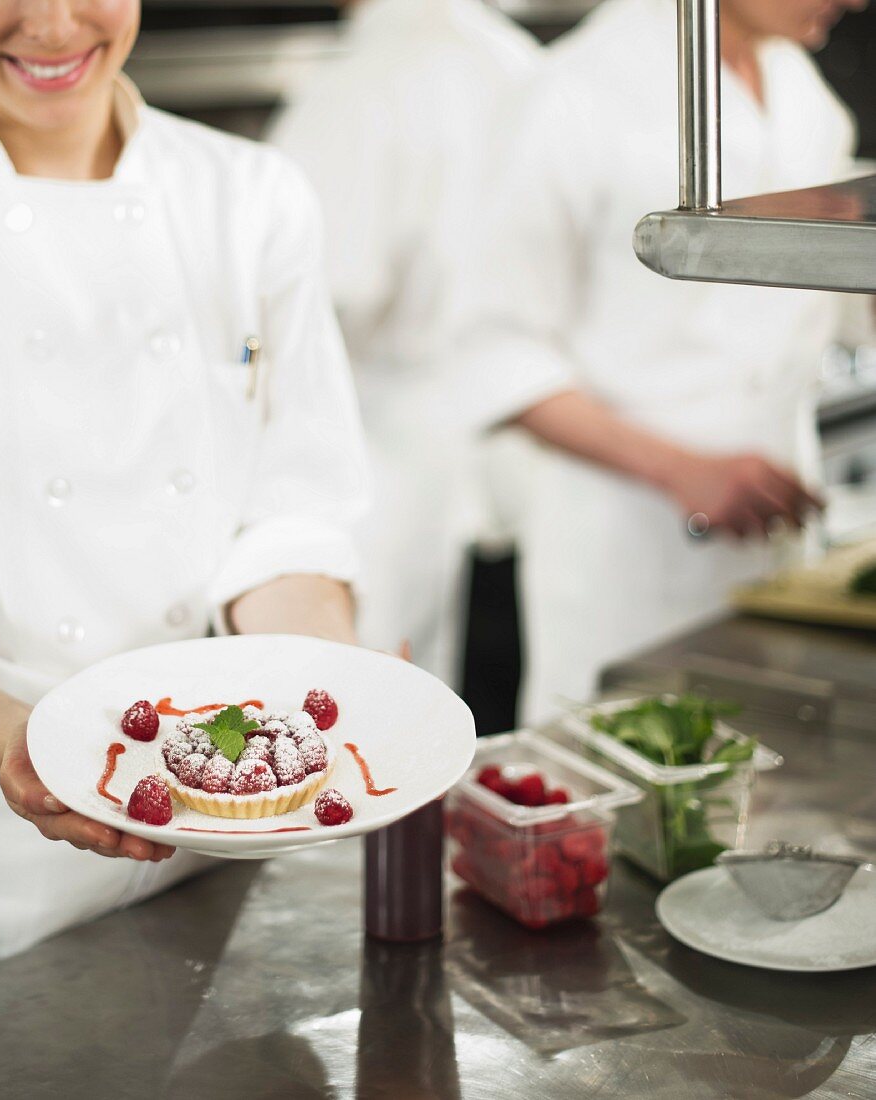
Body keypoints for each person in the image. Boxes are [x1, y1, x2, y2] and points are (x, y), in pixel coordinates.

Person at [0, 0, 367, 1050]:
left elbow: (289, 517)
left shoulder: (250, 198)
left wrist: (319, 692)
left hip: (198, 861)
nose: (50, 23)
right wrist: (32, 742)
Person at [488, 0, 863, 721]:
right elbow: (492, 350)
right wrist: (684, 470)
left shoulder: (802, 90)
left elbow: (820, 302)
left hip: (781, 537)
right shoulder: (570, 92)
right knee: (625, 797)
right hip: (629, 555)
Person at [268, 0, 543, 687]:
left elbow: (287, 310)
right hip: (499, 450)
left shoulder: (360, 85)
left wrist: (238, 360)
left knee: (357, 713)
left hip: (377, 455)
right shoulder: (519, 61)